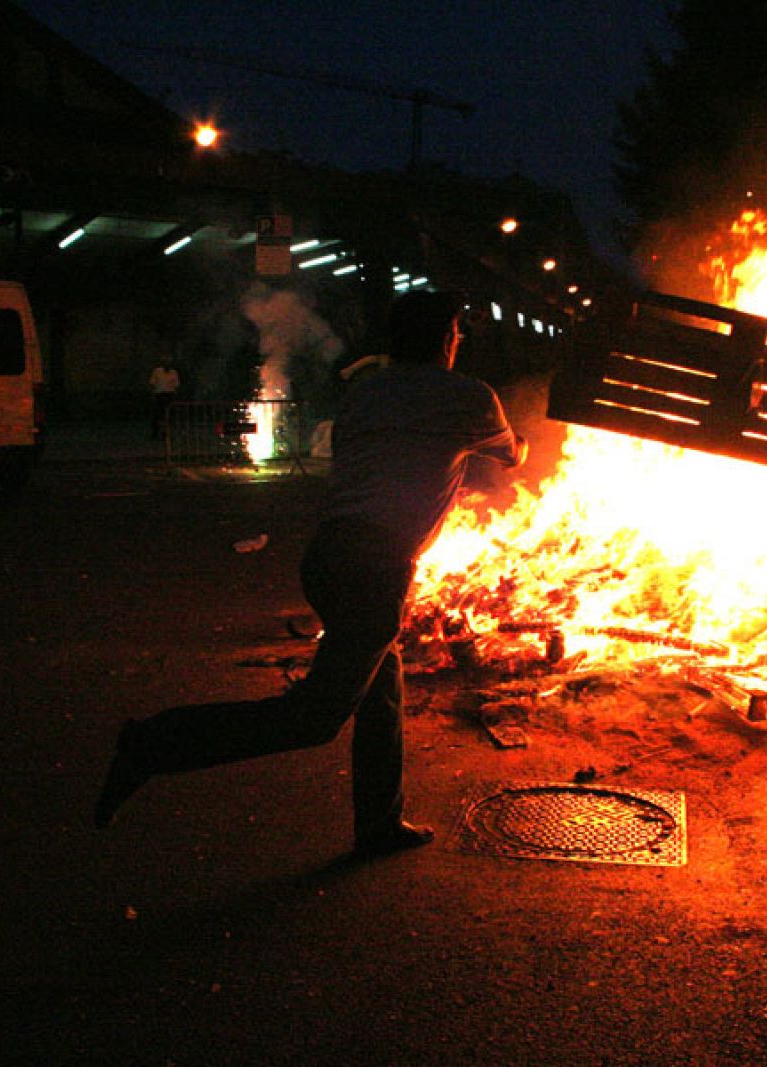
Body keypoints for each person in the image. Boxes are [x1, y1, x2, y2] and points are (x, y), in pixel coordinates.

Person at [96, 291, 528, 856]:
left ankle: (379, 823)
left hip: (329, 557)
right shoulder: (467, 397)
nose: (459, 341)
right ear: (447, 336)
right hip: (374, 567)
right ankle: (154, 743)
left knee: (383, 697)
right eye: (456, 332)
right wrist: (515, 440)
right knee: (312, 720)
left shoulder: (366, 392)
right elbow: (511, 455)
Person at [148, 359, 181, 440]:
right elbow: (152, 383)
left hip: (169, 395)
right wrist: (153, 394)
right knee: (157, 414)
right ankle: (155, 433)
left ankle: (165, 433)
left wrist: (175, 396)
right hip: (159, 394)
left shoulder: (174, 372)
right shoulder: (157, 371)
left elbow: (176, 385)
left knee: (168, 415)